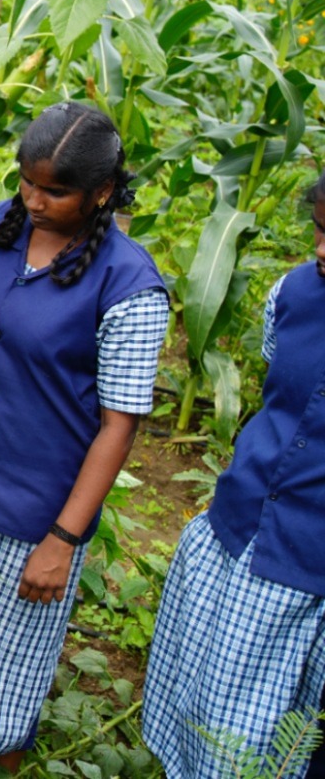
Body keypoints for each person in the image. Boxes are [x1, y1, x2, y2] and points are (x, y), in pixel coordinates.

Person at [0, 102, 169, 777]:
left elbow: (119, 424)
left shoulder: (130, 285)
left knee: (6, 658)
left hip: (34, 508)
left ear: (102, 192)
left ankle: (0, 767)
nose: (34, 199)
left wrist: (64, 538)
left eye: (55, 190)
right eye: (26, 181)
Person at [142, 171, 325, 777]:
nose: (322, 251)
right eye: (321, 232)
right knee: (205, 705)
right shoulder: (295, 293)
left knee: (271, 736)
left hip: (306, 562)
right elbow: (281, 389)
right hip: (242, 527)